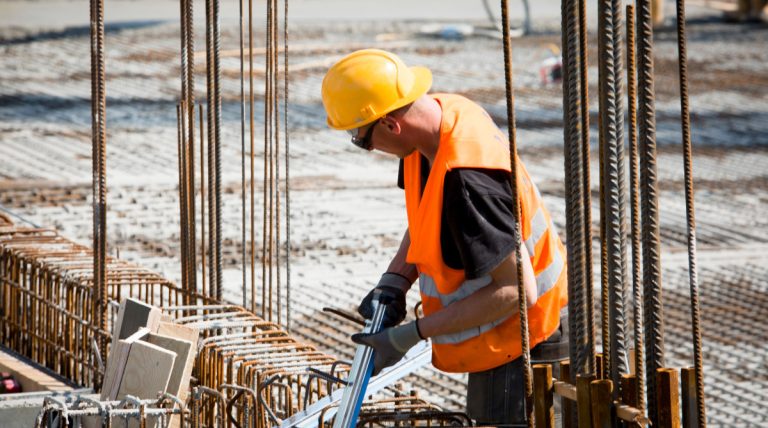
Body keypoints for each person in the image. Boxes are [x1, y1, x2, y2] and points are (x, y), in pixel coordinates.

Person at [321, 49, 569, 426]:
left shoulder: (468, 180)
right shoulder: (439, 120)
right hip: (501, 334)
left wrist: (411, 335)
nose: (367, 149)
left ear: (390, 124)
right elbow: (427, 212)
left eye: (362, 139)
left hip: (524, 342)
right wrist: (396, 279)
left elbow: (517, 290)